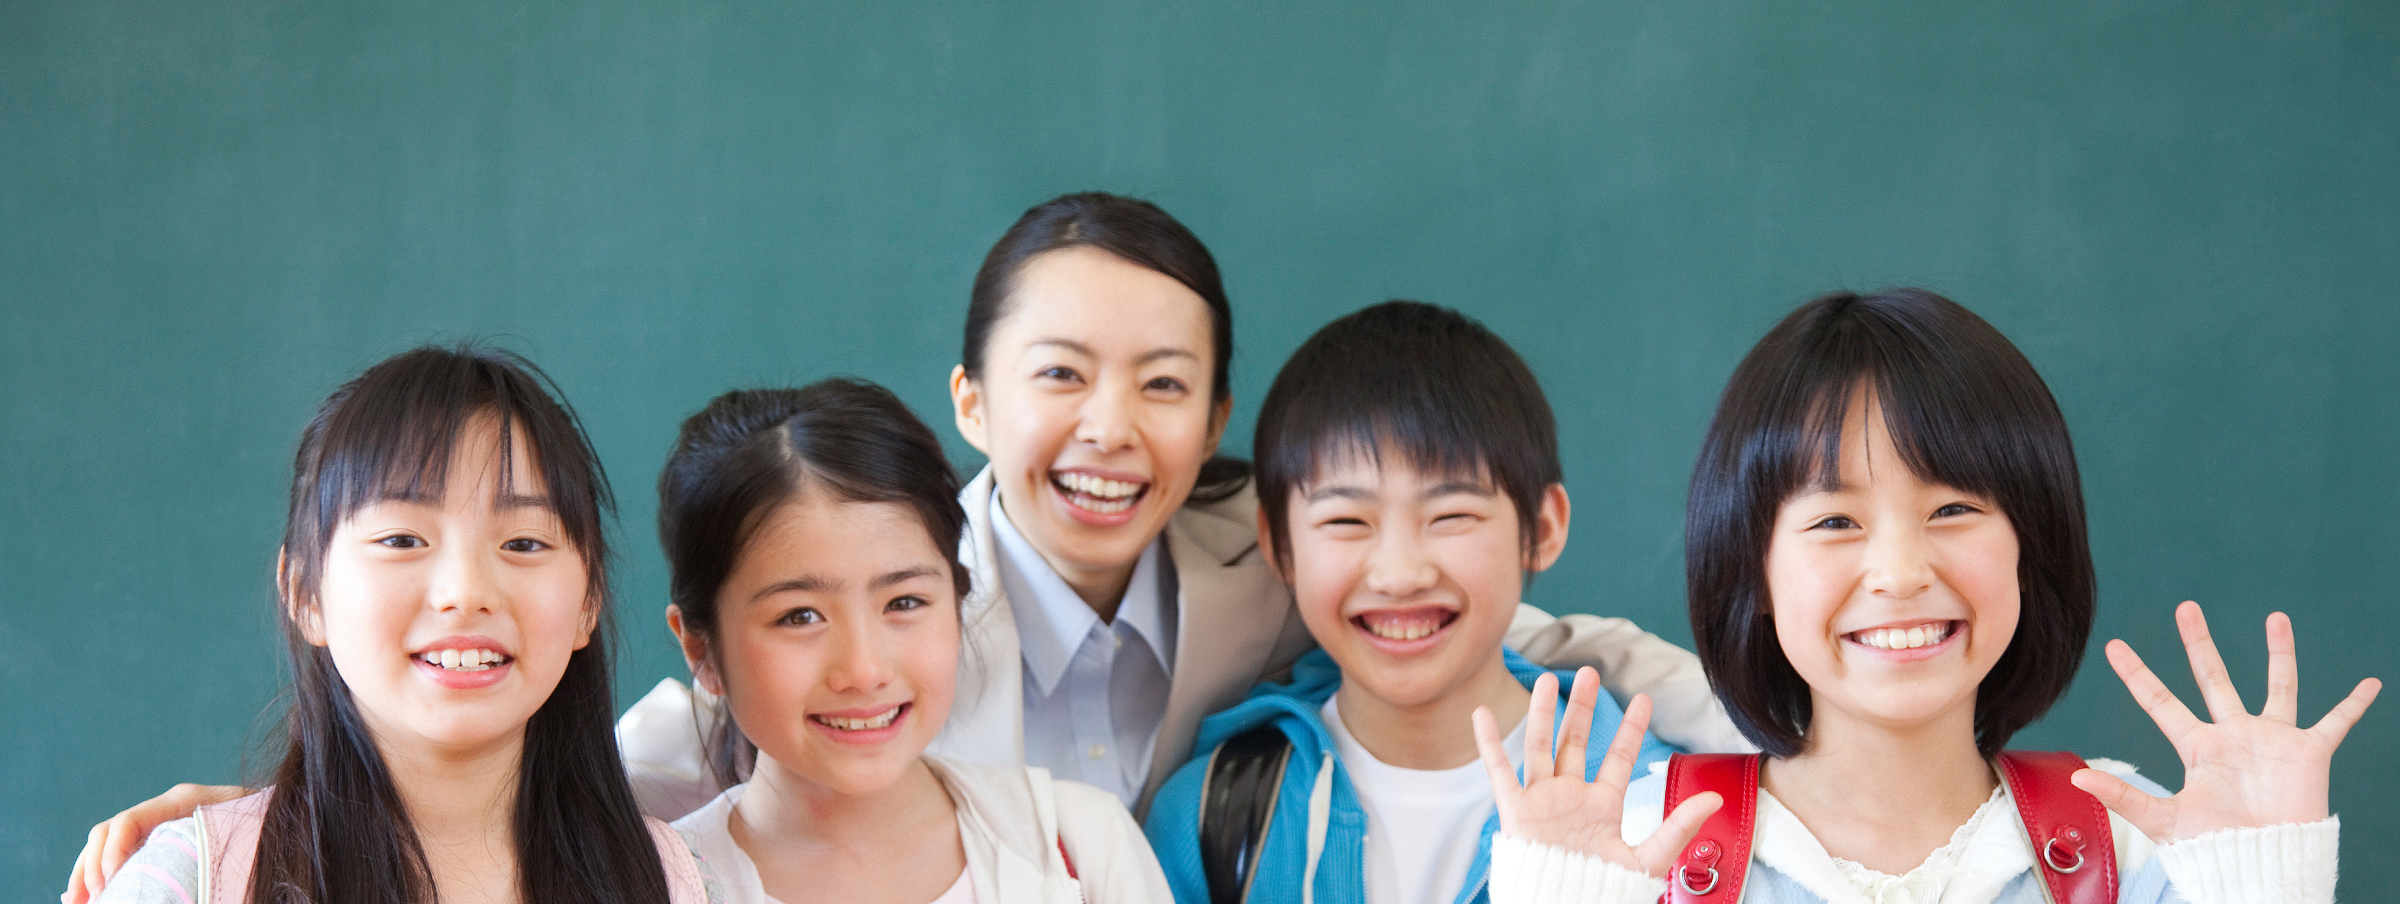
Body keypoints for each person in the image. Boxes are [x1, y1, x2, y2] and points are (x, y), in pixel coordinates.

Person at [67, 192, 1740, 898]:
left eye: (1164, 384)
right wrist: (267, 807)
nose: (1110, 426)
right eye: (1059, 374)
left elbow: (1492, 616)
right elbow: (538, 749)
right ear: (974, 401)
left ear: (1217, 414)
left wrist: (1765, 735)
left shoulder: (1273, 576)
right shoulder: (689, 819)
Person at [1473, 290, 2381, 904]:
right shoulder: (1638, 849)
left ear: (2031, 545)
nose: (1901, 572)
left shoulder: (2143, 841)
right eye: (1836, 521)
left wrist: (2264, 882)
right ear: (1753, 573)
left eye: (1953, 509)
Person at [88, 346, 703, 904]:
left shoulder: (670, 879)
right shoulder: (195, 879)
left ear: (589, 599)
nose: (465, 592)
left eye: (523, 542)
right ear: (305, 592)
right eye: (402, 539)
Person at [1144, 301, 1679, 904]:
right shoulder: (1211, 817)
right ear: (1279, 545)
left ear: (1543, 527)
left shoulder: (1660, 807)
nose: (1399, 574)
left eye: (1450, 516)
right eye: (1346, 520)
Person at [655, 380, 1168, 904]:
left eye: (903, 602)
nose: (864, 670)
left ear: (958, 604)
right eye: (799, 616)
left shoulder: (1082, 846)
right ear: (701, 649)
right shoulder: (652, 885)